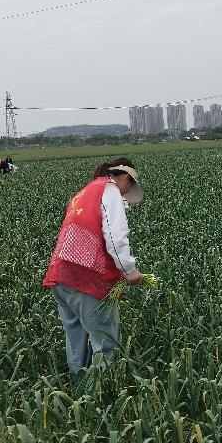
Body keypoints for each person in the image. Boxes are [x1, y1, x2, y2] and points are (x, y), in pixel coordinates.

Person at [43, 157, 157, 374]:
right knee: (105, 343)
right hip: (86, 279)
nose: (124, 196)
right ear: (126, 178)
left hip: (61, 276)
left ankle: (78, 388)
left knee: (76, 339)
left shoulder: (84, 192)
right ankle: (101, 391)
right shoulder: (110, 190)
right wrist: (129, 270)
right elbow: (115, 235)